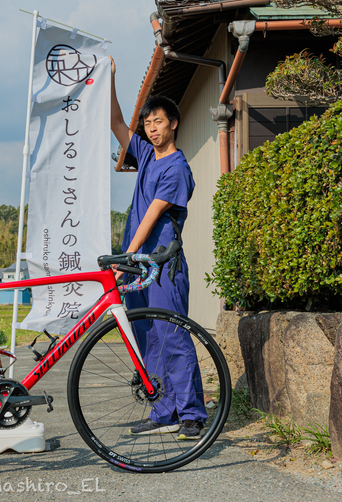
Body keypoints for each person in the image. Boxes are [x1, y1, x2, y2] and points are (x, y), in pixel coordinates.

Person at [109, 56, 207, 439]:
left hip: (162, 265)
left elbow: (151, 216)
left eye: (158, 122)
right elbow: (117, 124)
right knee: (146, 335)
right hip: (137, 264)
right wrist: (110, 79)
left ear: (173, 124)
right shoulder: (147, 154)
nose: (152, 128)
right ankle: (164, 409)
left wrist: (126, 258)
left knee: (172, 335)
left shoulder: (177, 168)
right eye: (148, 123)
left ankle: (192, 413)